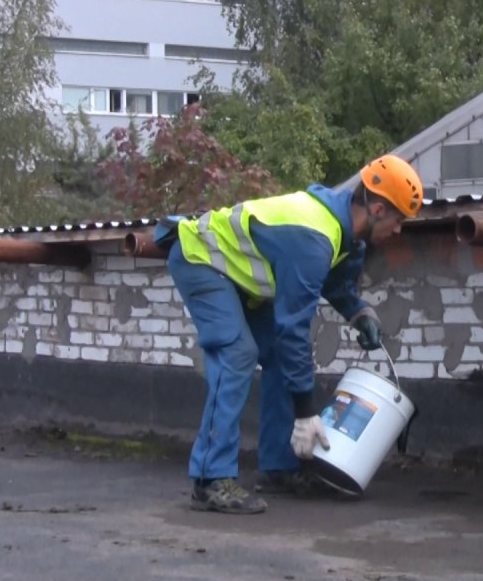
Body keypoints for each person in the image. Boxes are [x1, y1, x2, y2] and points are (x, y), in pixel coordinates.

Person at [151, 154, 425, 514]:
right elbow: (292, 327)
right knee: (238, 352)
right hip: (200, 258)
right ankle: (210, 480)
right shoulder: (312, 236)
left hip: (236, 278)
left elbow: (336, 285)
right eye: (398, 219)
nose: (399, 229)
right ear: (376, 209)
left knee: (280, 357)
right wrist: (306, 414)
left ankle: (279, 467)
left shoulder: (347, 237)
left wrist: (360, 314)